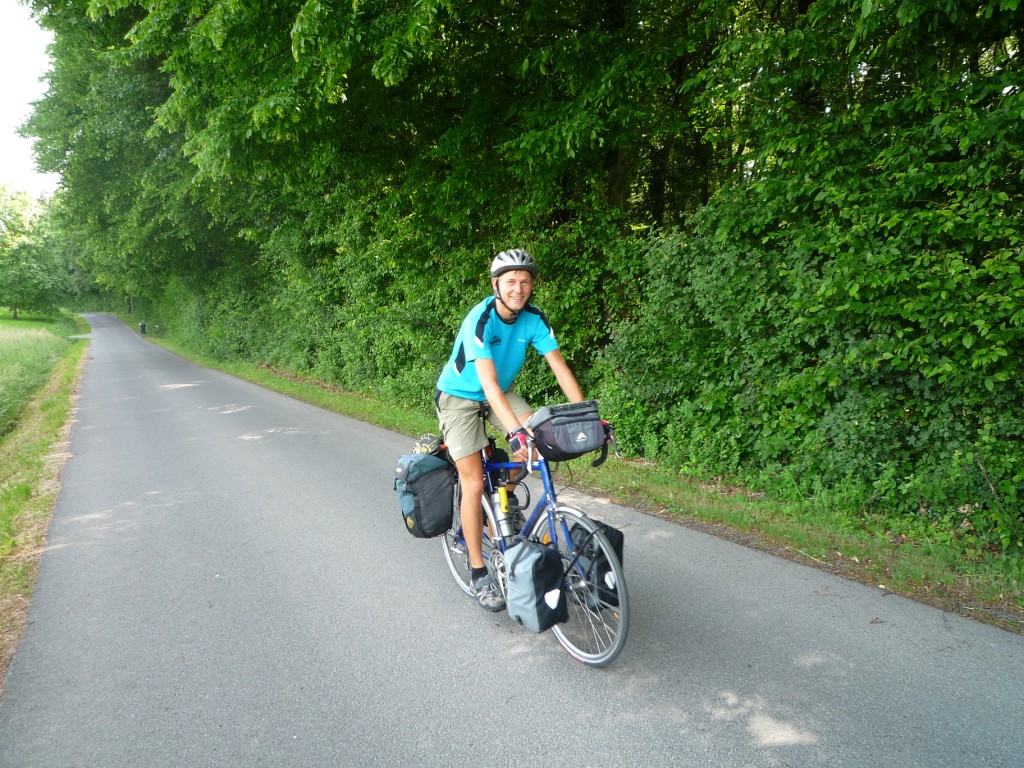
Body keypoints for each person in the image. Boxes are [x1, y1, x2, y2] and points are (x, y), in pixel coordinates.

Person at [435, 248, 586, 611]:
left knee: (537, 445)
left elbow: (561, 370)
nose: (519, 288)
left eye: (525, 281)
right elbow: (485, 385)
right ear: (496, 284)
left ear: (532, 286)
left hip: (499, 393)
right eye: (511, 281)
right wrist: (516, 431)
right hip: (460, 398)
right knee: (472, 483)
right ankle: (478, 571)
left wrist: (584, 414)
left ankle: (502, 496)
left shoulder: (534, 318)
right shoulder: (481, 319)